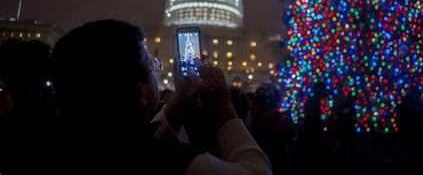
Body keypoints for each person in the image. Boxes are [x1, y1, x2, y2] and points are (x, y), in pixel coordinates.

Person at [2, 20, 271, 174]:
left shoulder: (42, 144)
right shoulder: (173, 163)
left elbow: (144, 137)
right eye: (152, 67)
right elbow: (257, 172)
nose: (157, 70)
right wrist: (224, 107)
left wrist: (180, 100)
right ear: (140, 91)